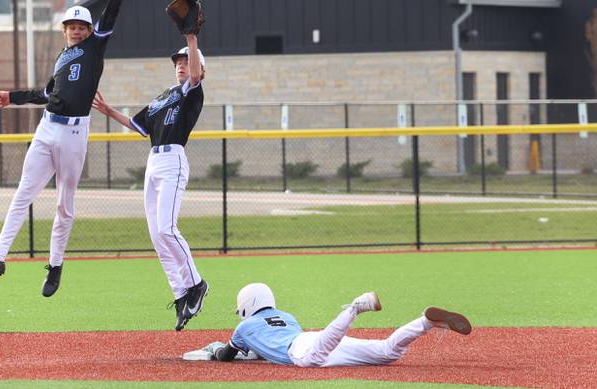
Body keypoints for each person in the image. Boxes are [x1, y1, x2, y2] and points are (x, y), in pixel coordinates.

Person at [0, 0, 136, 297]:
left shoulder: (95, 47)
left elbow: (113, 7)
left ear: (89, 30)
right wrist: (13, 98)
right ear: (65, 30)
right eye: (72, 27)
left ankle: (54, 266)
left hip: (75, 133)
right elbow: (45, 94)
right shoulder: (63, 56)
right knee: (23, 193)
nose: (77, 31)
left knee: (65, 204)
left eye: (82, 27)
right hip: (47, 127)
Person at [90, 31, 208, 331]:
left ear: (198, 69)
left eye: (187, 61)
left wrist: (191, 38)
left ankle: (196, 284)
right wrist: (109, 111)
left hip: (173, 161)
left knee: (168, 228)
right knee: (157, 235)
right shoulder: (163, 97)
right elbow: (137, 125)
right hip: (154, 162)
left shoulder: (192, 91)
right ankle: (181, 294)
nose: (182, 65)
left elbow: (194, 74)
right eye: (178, 61)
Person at [204, 283, 472, 366]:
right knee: (386, 352)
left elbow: (227, 356)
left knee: (312, 359)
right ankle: (426, 321)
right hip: (312, 338)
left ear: (247, 305)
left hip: (301, 351)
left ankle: (356, 306)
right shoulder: (287, 316)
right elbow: (262, 348)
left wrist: (216, 350)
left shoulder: (244, 328)